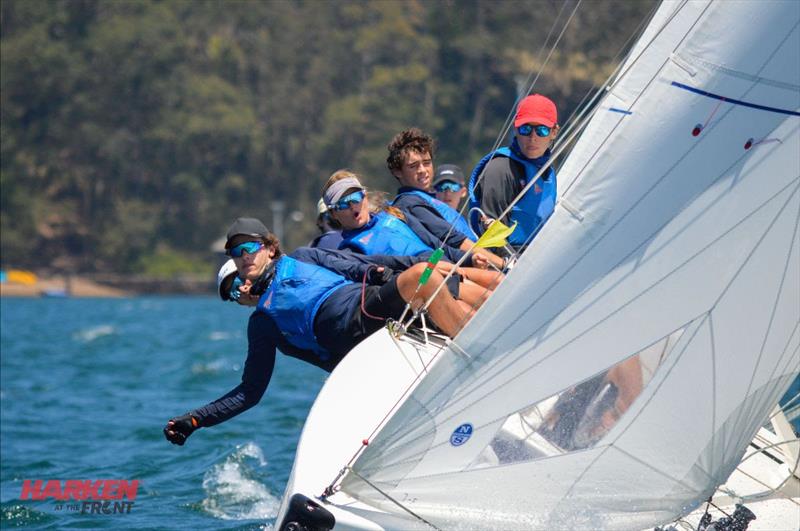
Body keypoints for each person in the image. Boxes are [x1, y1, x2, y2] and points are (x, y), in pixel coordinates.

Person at [163, 217, 475, 446]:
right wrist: (196, 419)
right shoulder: (263, 324)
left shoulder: (301, 257)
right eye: (232, 293)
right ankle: (478, 359)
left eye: (248, 248)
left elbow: (358, 267)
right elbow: (250, 392)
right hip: (353, 339)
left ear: (269, 249)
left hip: (367, 305)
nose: (243, 259)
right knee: (426, 277)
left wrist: (398, 270)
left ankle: (482, 352)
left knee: (441, 280)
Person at [322, 170, 503, 308]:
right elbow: (388, 277)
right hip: (424, 281)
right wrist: (433, 268)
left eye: (356, 197)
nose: (353, 206)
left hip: (446, 266)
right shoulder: (350, 251)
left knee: (499, 281)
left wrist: (469, 259)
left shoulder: (393, 214)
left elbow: (435, 244)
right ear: (333, 214)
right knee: (486, 300)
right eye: (343, 204)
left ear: (364, 195)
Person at [386, 128, 505, 269]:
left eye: (427, 163)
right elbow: (453, 240)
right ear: (397, 171)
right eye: (413, 166)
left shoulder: (427, 199)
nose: (423, 170)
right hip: (466, 267)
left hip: (481, 261)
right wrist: (504, 265)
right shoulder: (409, 203)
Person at [467, 94, 559, 250]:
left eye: (542, 130)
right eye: (526, 129)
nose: (532, 137)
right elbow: (491, 238)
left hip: (537, 257)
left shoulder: (548, 172)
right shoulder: (500, 169)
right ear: (515, 129)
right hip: (505, 264)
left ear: (554, 132)